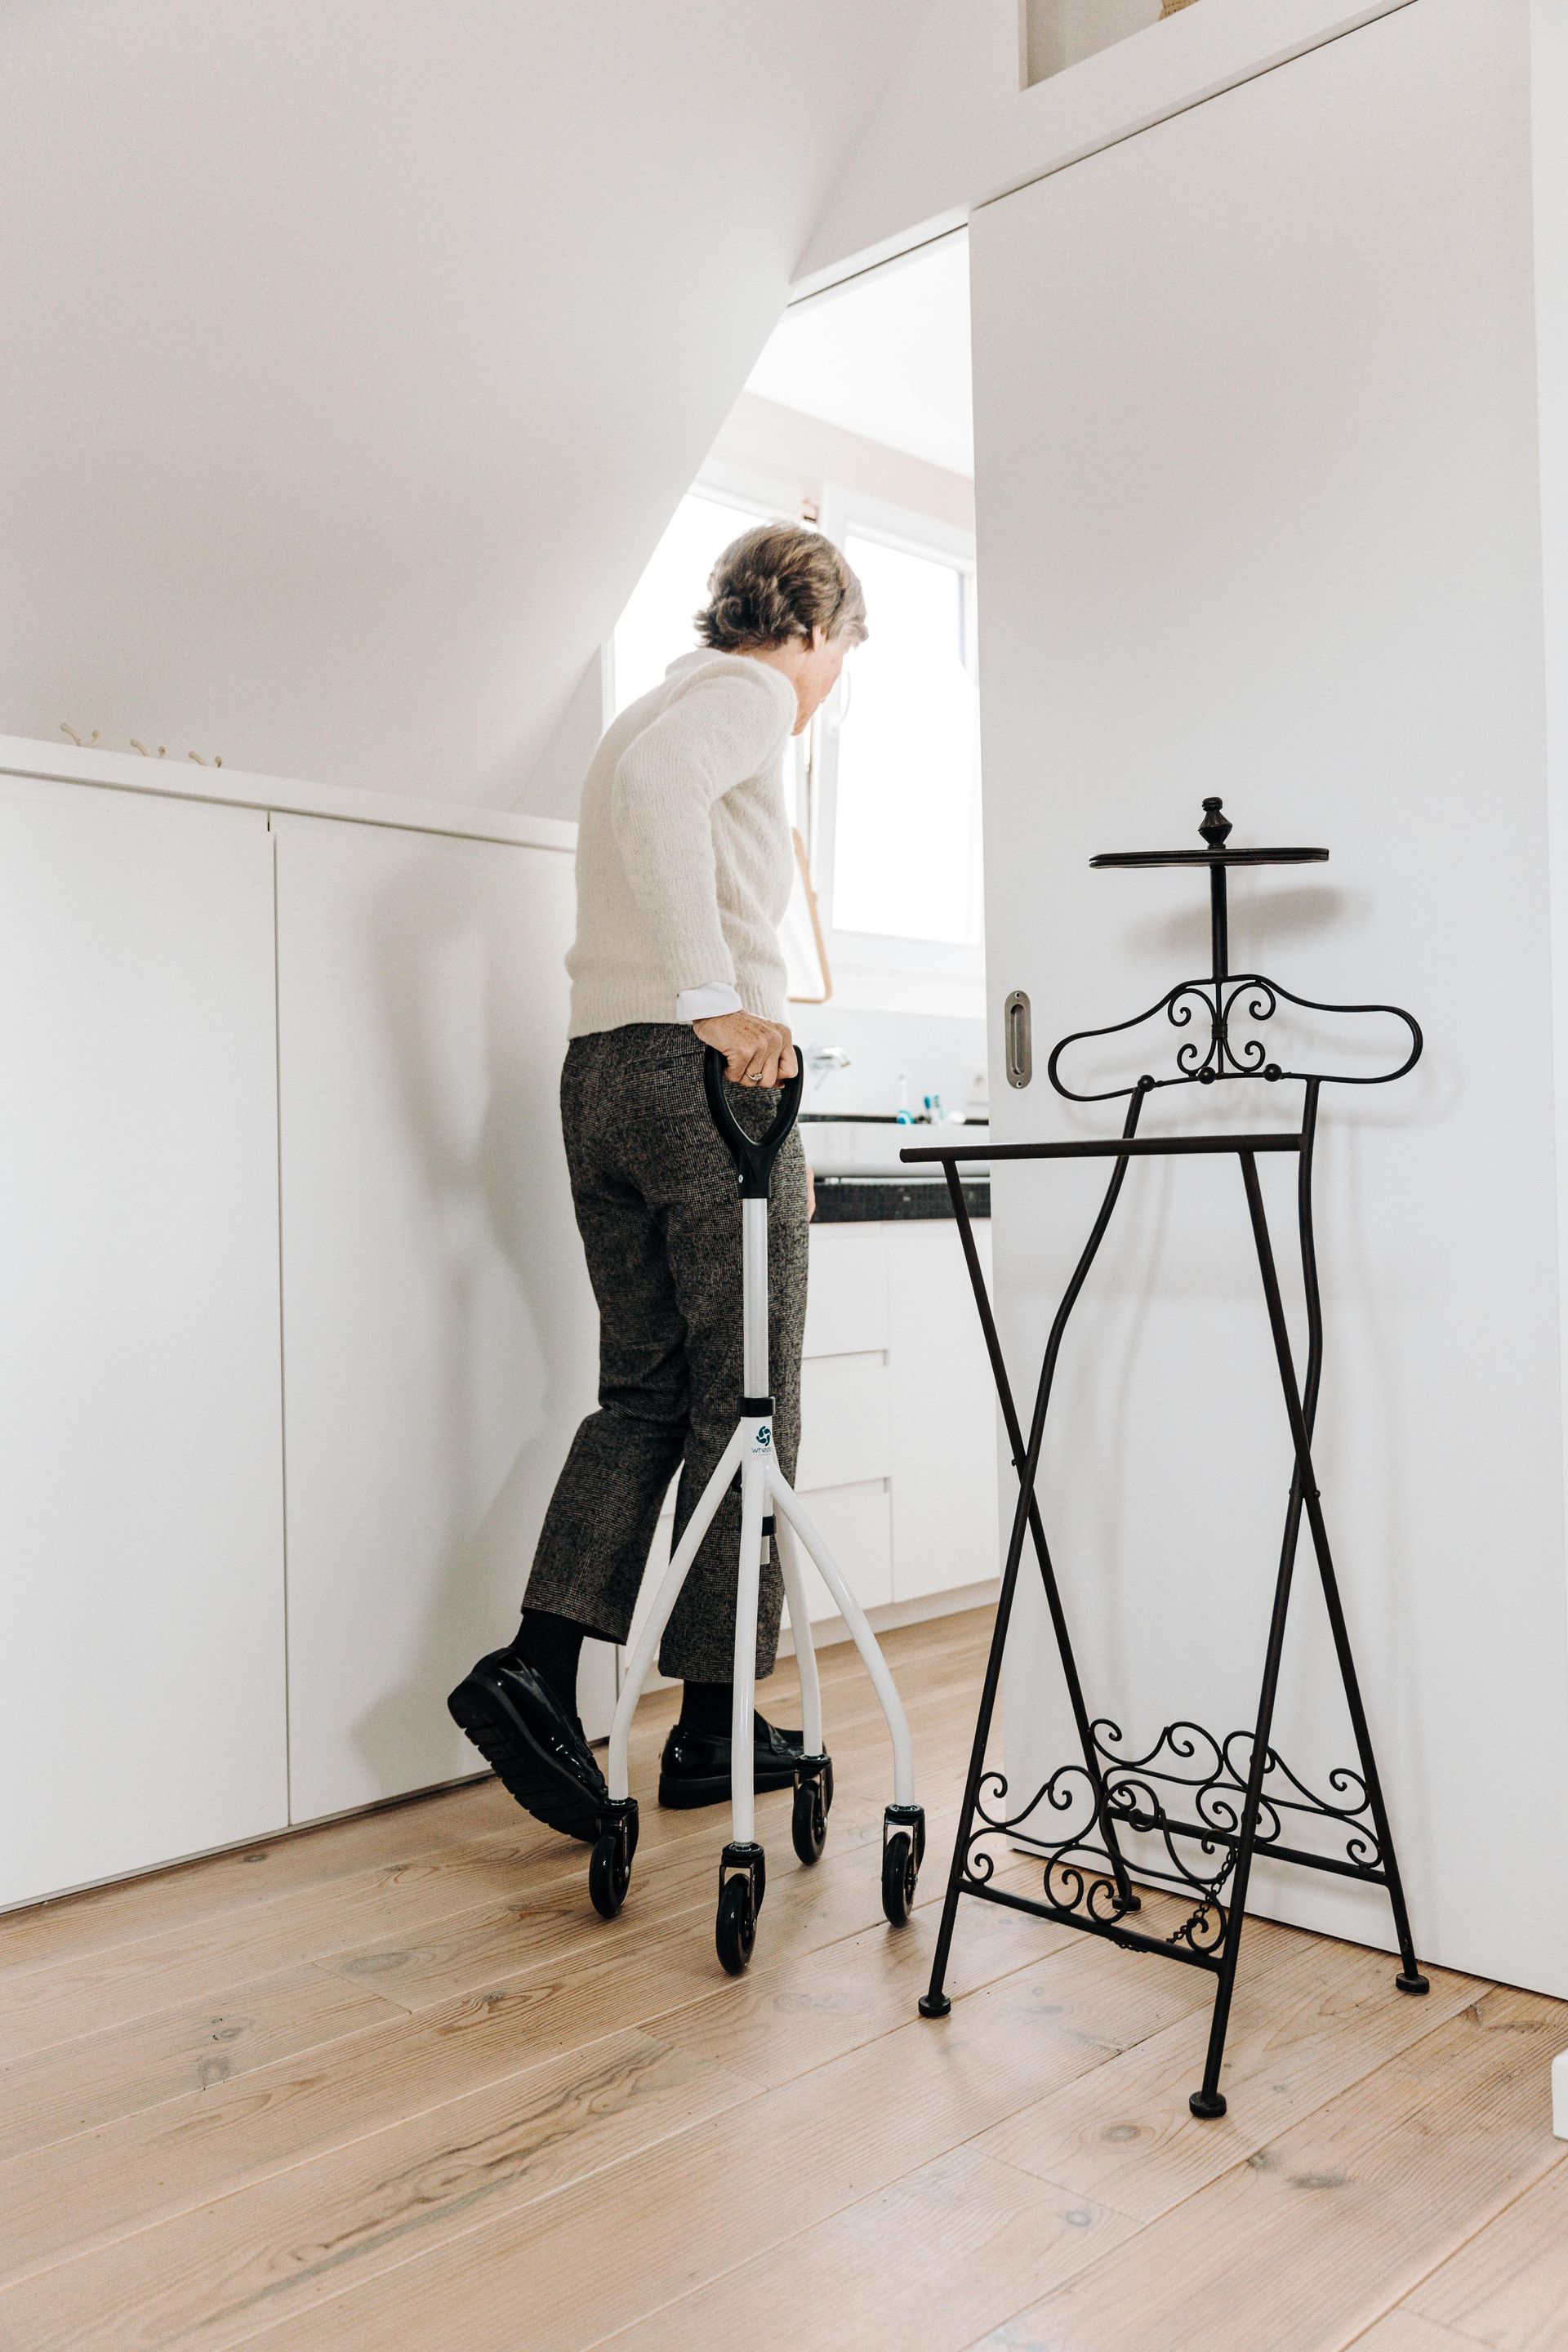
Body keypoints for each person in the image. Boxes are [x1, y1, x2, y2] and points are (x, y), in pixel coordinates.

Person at [448, 522, 867, 1838]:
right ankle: (713, 1721)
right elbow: (664, 797)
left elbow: (654, 794)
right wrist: (714, 1000)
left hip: (601, 1080)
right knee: (750, 1411)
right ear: (812, 630)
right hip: (701, 1087)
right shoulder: (746, 697)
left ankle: (536, 1667)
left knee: (645, 1392)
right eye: (842, 654)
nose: (831, 680)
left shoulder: (653, 704)